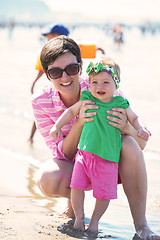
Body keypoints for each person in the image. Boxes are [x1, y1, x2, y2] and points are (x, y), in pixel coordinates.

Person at [31, 35, 160, 239]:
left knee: (130, 146)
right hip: (78, 165)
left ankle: (142, 225)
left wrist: (127, 127)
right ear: (47, 75)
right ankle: (75, 208)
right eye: (55, 72)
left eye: (71, 69)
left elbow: (141, 144)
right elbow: (62, 154)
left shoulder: (102, 85)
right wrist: (80, 123)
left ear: (81, 67)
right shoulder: (40, 101)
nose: (65, 77)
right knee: (48, 179)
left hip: (108, 164)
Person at [49, 57, 149, 233]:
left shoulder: (120, 103)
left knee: (103, 194)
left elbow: (133, 118)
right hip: (84, 155)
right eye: (94, 82)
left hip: (107, 158)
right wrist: (57, 125)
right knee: (76, 187)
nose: (99, 87)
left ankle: (95, 222)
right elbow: (71, 111)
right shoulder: (88, 99)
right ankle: (79, 218)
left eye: (105, 82)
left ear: (116, 84)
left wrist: (138, 130)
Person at [28, 24, 70, 144]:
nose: (47, 40)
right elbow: (42, 70)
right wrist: (34, 83)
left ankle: (31, 138)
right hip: (55, 87)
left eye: (48, 37)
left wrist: (33, 83)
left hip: (59, 87)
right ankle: (31, 137)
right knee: (43, 110)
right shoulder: (47, 52)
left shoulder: (73, 48)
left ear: (56, 36)